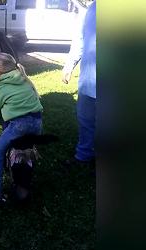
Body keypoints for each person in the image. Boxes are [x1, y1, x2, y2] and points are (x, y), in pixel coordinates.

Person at [0, 53, 43, 206]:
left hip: (18, 126)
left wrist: (0, 121)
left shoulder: (0, 87)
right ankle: (25, 179)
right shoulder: (25, 79)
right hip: (37, 123)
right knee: (27, 148)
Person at [62, 0, 96, 170]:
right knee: (86, 120)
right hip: (89, 82)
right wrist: (69, 66)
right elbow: (80, 40)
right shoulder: (91, 10)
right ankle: (84, 155)